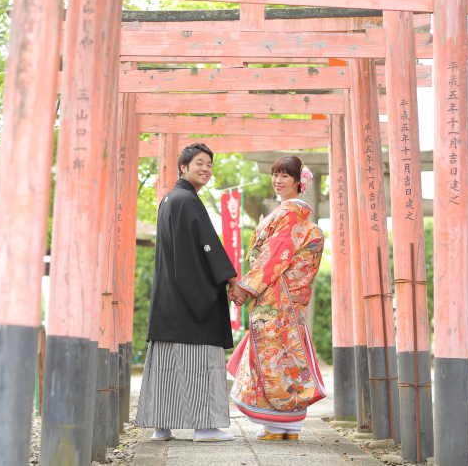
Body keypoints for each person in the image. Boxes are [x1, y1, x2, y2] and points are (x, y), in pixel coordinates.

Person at [135, 143, 241, 442]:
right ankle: (204, 427)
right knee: (200, 363)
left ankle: (161, 426)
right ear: (183, 167)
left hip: (168, 299)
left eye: (209, 164)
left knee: (166, 366)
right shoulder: (188, 201)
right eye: (199, 163)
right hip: (191, 301)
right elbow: (207, 246)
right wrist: (231, 280)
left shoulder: (170, 199)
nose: (205, 169)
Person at [228, 155, 326, 440]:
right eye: (275, 175)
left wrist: (245, 287)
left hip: (276, 297)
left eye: (285, 176)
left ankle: (282, 425)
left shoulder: (290, 214)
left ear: (298, 182)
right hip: (286, 298)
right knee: (285, 358)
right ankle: (284, 426)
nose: (278, 181)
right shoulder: (293, 215)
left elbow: (274, 255)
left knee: (274, 358)